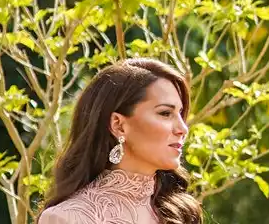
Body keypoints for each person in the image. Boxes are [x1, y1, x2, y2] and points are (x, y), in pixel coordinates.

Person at [38, 58, 201, 224]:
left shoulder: (182, 213)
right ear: (118, 125)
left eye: (180, 114)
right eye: (165, 113)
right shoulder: (66, 218)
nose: (182, 129)